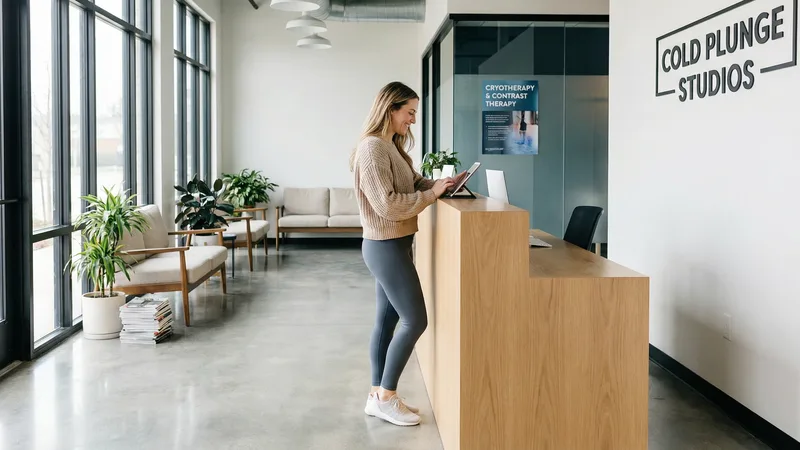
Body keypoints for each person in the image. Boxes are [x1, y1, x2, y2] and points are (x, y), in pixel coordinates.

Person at [350, 81, 465, 427]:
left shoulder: (392, 147)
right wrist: (430, 196)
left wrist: (438, 185)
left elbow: (413, 183)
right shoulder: (372, 149)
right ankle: (387, 396)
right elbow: (386, 205)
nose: (413, 119)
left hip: (395, 244)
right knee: (416, 320)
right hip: (384, 245)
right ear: (391, 109)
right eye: (410, 112)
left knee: (387, 320)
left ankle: (378, 396)